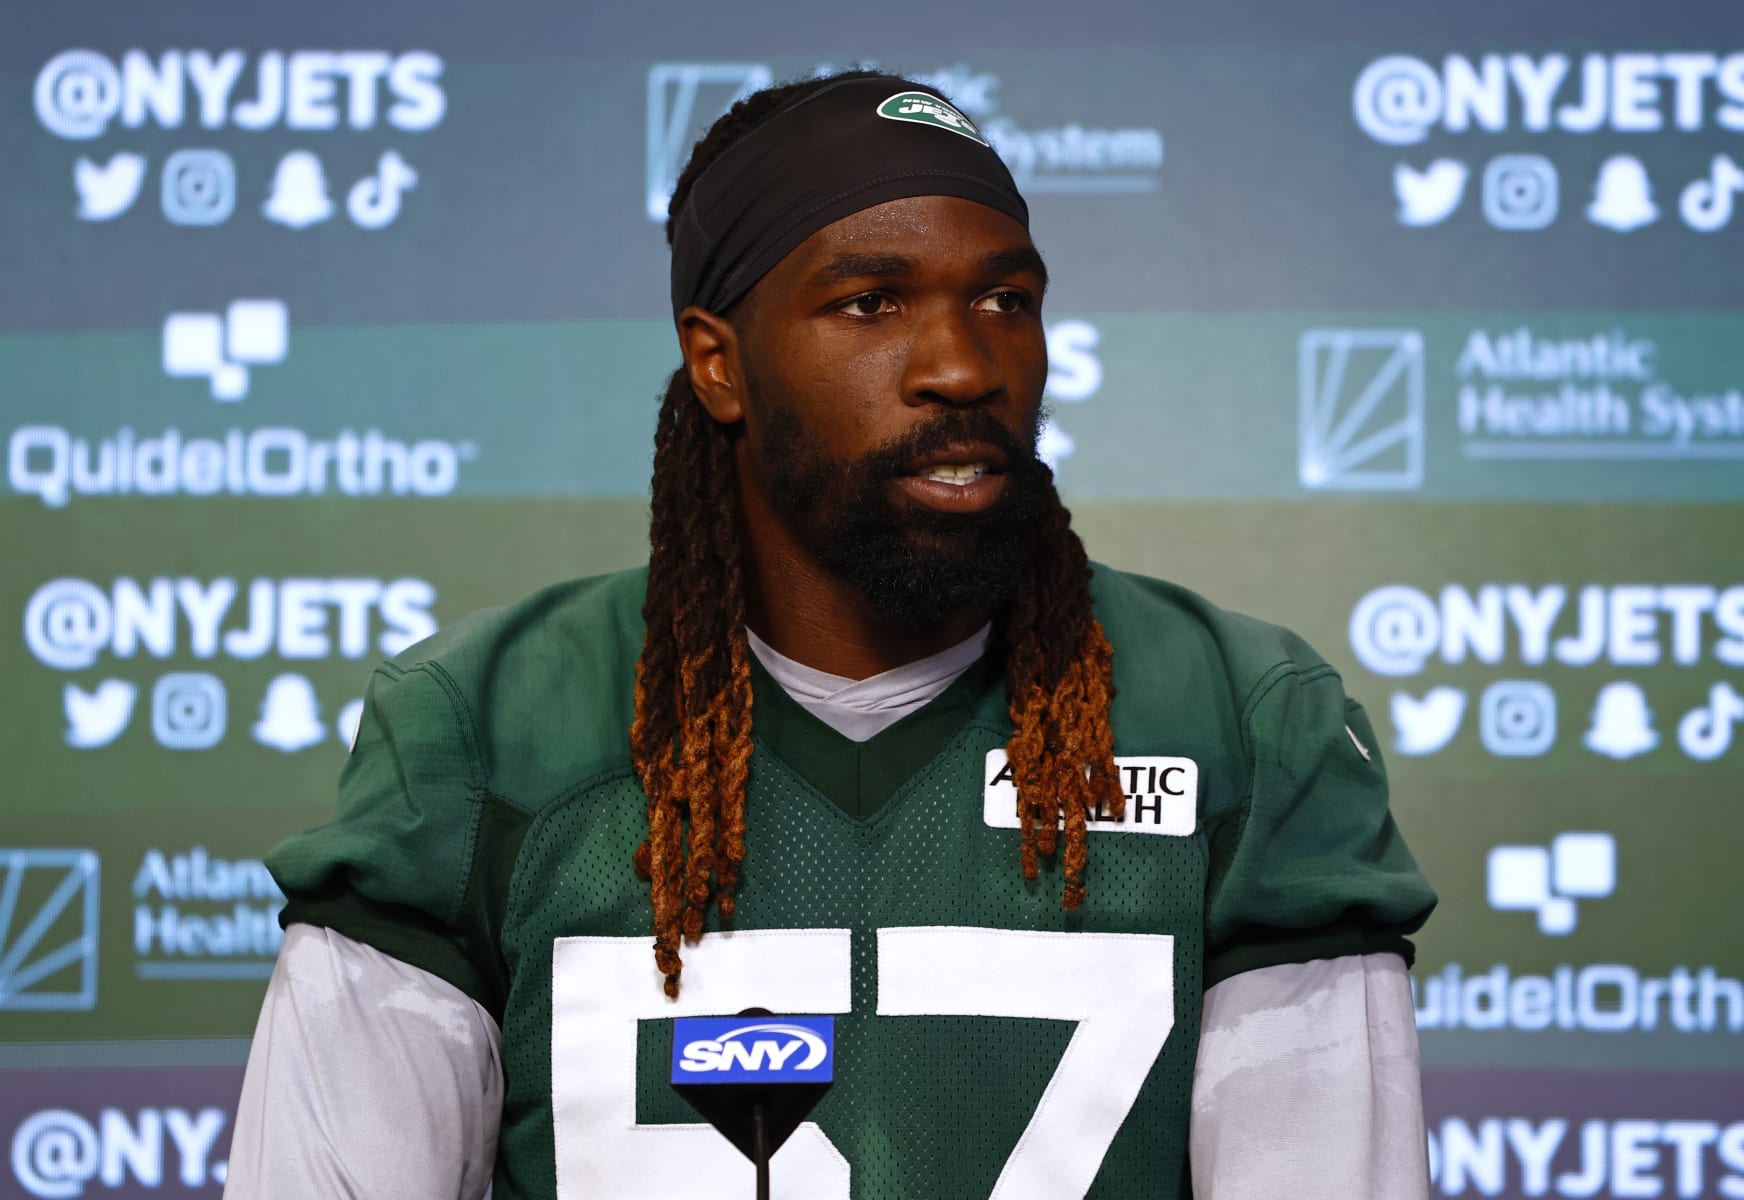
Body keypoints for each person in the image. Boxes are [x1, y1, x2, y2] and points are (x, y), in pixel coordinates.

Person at [223, 71, 1436, 1199]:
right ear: (719, 364)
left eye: (1005, 301)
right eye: (871, 303)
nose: (963, 365)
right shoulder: (488, 730)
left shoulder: (1241, 719)